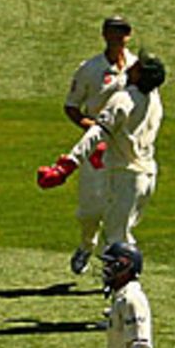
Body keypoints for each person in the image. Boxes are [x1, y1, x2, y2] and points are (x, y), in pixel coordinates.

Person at [61, 15, 138, 276]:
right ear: (105, 34)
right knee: (90, 211)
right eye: (114, 32)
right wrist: (93, 129)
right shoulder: (90, 69)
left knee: (119, 217)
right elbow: (71, 107)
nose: (119, 37)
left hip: (125, 154)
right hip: (96, 150)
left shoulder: (138, 67)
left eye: (124, 32)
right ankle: (86, 245)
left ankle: (114, 268)